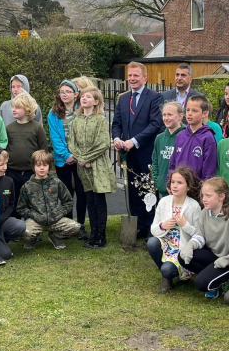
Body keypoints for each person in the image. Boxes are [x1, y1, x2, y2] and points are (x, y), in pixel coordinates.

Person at [111, 62, 163, 238]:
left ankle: (151, 227)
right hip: (128, 154)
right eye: (130, 76)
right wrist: (117, 139)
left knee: (149, 190)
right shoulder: (123, 98)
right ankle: (138, 225)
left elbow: (155, 124)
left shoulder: (155, 97)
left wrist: (134, 141)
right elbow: (117, 123)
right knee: (133, 191)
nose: (132, 79)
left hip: (146, 152)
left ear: (145, 78)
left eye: (136, 76)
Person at [179, 177, 229, 299]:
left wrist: (228, 259)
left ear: (221, 196)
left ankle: (228, 278)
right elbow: (200, 236)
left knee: (201, 284)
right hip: (214, 255)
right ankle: (217, 281)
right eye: (203, 195)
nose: (204, 199)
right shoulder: (205, 212)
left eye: (208, 196)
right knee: (182, 256)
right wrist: (189, 246)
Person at [69, 87, 118, 249]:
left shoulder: (100, 120)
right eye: (83, 96)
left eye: (88, 97)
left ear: (96, 102)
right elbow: (72, 143)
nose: (84, 99)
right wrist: (81, 159)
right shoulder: (76, 121)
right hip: (83, 166)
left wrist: (87, 158)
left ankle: (101, 236)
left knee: (98, 200)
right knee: (89, 199)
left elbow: (103, 143)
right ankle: (93, 234)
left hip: (98, 165)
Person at [146, 167, 202, 293]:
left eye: (179, 183)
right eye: (173, 182)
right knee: (152, 242)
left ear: (188, 187)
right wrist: (163, 226)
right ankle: (167, 278)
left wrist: (185, 224)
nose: (175, 186)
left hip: (182, 248)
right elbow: (154, 229)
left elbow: (199, 235)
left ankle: (178, 273)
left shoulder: (194, 206)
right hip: (166, 244)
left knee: (167, 269)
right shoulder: (164, 202)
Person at [47, 79, 88, 240]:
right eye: (61, 92)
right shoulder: (54, 113)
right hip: (62, 160)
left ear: (76, 94)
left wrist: (77, 155)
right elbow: (55, 137)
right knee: (66, 193)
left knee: (81, 191)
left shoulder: (83, 109)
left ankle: (81, 225)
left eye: (67, 92)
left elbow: (85, 134)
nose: (64, 95)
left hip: (80, 158)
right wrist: (65, 155)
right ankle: (68, 225)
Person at [16, 150, 82, 250]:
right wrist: (34, 216)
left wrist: (58, 214)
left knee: (76, 227)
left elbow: (68, 202)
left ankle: (54, 236)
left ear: (50, 166)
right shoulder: (27, 186)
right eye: (38, 165)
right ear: (33, 166)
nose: (42, 168)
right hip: (36, 221)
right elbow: (21, 208)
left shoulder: (57, 183)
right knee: (24, 231)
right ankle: (32, 238)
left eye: (45, 165)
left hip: (55, 220)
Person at [4, 91, 48, 204]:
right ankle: (15, 221)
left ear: (28, 109)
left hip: (31, 172)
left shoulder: (37, 128)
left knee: (32, 201)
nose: (14, 110)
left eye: (18, 107)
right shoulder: (8, 128)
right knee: (14, 200)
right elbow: (5, 149)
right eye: (13, 107)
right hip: (12, 172)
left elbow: (43, 150)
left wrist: (40, 169)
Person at [168, 95, 217, 182]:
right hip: (178, 186)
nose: (189, 113)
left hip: (196, 189)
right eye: (187, 110)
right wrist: (169, 180)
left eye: (194, 111)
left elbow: (209, 169)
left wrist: (203, 188)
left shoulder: (208, 137)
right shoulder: (180, 135)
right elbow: (172, 163)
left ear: (205, 113)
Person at [152, 101, 185, 198]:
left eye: (170, 115)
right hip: (163, 189)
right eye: (164, 115)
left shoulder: (187, 137)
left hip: (181, 190)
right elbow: (155, 162)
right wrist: (157, 181)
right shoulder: (159, 138)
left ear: (180, 116)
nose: (166, 118)